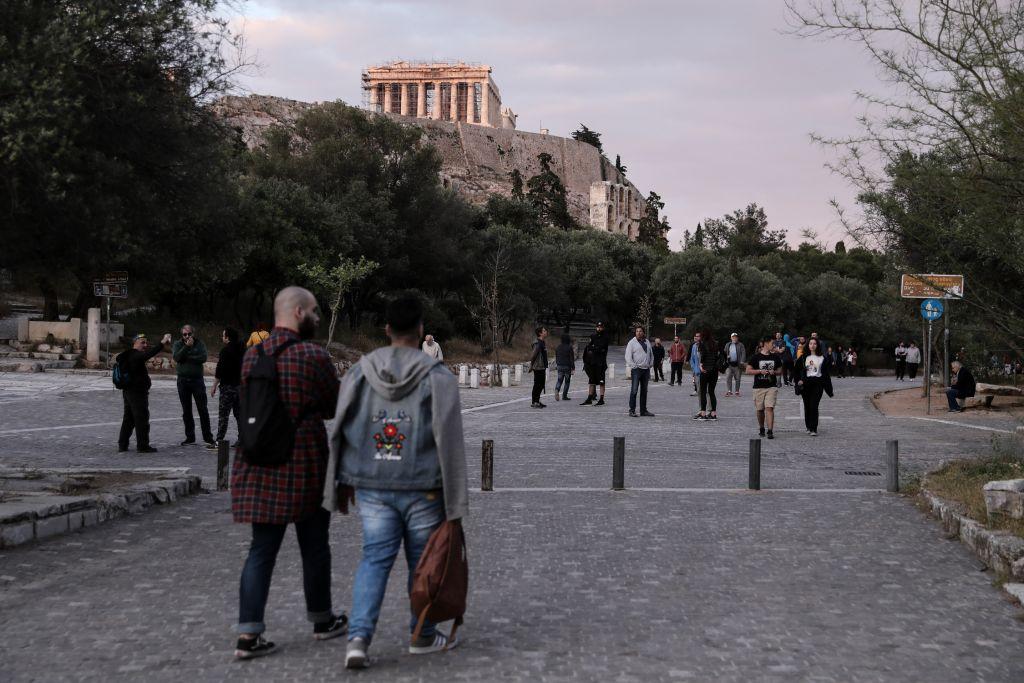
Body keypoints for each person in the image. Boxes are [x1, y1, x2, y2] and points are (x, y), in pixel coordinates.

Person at [323, 295, 469, 669]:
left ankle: (358, 639)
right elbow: (450, 442)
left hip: (373, 485)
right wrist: (456, 506)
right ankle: (421, 634)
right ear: (421, 330)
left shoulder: (359, 371)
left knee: (373, 559)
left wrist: (341, 481)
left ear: (386, 329)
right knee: (422, 563)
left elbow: (343, 428)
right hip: (425, 486)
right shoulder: (438, 377)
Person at [231, 286, 346, 660]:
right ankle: (321, 619)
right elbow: (332, 406)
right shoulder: (313, 355)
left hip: (258, 461)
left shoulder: (253, 355)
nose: (317, 317)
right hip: (303, 465)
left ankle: (248, 635)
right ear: (298, 312)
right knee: (314, 546)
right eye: (314, 311)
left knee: (261, 549)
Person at [116, 332, 172, 453]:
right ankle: (142, 445)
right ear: (135, 343)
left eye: (146, 342)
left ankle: (122, 444)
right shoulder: (135, 355)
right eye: (143, 342)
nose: (145, 345)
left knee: (129, 418)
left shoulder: (128, 355)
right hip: (136, 392)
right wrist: (162, 343)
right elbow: (148, 354)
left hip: (128, 391)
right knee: (141, 418)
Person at [172, 324, 214, 446]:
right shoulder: (178, 344)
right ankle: (190, 437)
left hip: (197, 381)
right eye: (184, 334)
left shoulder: (200, 344)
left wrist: (187, 357)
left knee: (203, 409)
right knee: (186, 410)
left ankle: (208, 437)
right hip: (183, 381)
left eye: (189, 334)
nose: (187, 336)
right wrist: (186, 347)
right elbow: (177, 357)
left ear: (193, 334)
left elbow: (203, 357)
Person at [207, 327, 245, 450]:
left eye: (223, 335)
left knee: (224, 415)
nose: (222, 337)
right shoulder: (243, 349)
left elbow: (220, 370)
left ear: (227, 337)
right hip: (240, 387)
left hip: (227, 387)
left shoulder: (225, 351)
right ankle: (242, 439)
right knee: (239, 415)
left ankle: (219, 441)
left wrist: (214, 385)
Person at [795, 337, 834, 436]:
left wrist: (829, 390)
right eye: (810, 343)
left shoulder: (822, 358)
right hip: (806, 384)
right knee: (807, 406)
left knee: (814, 406)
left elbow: (826, 374)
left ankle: (814, 428)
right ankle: (808, 426)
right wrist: (798, 380)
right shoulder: (804, 357)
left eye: (814, 344)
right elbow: (796, 371)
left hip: (817, 384)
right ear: (808, 345)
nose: (812, 345)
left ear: (818, 345)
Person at [747, 337, 783, 439]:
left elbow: (780, 370)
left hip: (771, 386)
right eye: (772, 343)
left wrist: (774, 372)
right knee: (760, 410)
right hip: (758, 387)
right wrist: (759, 371)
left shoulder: (775, 357)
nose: (774, 345)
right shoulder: (756, 357)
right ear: (766, 344)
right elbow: (748, 370)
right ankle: (762, 428)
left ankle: (770, 431)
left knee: (769, 408)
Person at [625, 326, 654, 417]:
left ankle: (643, 410)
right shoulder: (632, 343)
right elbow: (627, 356)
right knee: (634, 390)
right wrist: (634, 366)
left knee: (644, 391)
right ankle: (632, 410)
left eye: (640, 331)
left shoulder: (647, 342)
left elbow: (651, 354)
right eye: (637, 331)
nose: (638, 332)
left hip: (646, 370)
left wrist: (651, 363)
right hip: (637, 369)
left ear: (643, 333)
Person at [581, 322, 609, 406]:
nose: (599, 328)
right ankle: (589, 398)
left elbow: (602, 348)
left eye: (600, 327)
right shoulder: (593, 336)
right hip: (592, 362)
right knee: (591, 381)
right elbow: (588, 347)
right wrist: (595, 348)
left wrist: (595, 348)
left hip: (601, 363)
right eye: (598, 327)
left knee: (601, 382)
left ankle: (601, 398)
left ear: (603, 328)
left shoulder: (605, 337)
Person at [695, 330, 721, 421]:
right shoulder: (715, 344)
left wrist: (701, 365)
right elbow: (718, 357)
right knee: (711, 392)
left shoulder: (702, 344)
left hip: (705, 370)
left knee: (703, 392)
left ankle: (703, 413)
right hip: (714, 371)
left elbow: (703, 356)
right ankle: (713, 414)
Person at [529, 326, 549, 409]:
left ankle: (537, 400)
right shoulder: (537, 343)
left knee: (541, 384)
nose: (546, 332)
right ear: (540, 333)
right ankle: (534, 402)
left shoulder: (542, 342)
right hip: (538, 367)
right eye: (544, 331)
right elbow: (533, 355)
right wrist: (531, 365)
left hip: (542, 366)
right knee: (537, 384)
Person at [723, 332, 746, 397]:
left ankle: (737, 391)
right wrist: (726, 357)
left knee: (738, 378)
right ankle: (729, 391)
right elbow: (724, 353)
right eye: (733, 337)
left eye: (736, 337)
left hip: (737, 364)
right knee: (728, 377)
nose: (734, 338)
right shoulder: (728, 344)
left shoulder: (741, 345)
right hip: (729, 364)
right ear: (731, 338)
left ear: (737, 338)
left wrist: (742, 361)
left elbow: (743, 353)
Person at [554, 334, 575, 401]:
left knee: (559, 380)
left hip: (559, 365)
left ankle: (557, 389)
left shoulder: (558, 347)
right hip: (567, 366)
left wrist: (557, 364)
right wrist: (573, 367)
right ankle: (564, 396)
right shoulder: (569, 347)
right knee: (567, 381)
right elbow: (571, 358)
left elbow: (556, 356)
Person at [689, 331, 703, 396]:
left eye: (698, 336)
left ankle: (703, 391)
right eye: (696, 336)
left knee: (702, 381)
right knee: (695, 380)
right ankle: (696, 390)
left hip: (702, 367)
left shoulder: (703, 345)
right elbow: (692, 357)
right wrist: (692, 366)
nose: (697, 337)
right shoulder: (694, 346)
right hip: (695, 367)